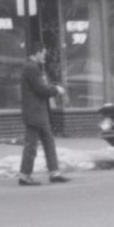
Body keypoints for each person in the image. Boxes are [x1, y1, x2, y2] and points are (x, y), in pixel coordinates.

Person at [18, 43, 70, 185]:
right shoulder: (31, 68)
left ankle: (53, 172)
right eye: (43, 53)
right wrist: (56, 90)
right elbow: (41, 89)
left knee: (47, 142)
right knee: (33, 145)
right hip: (36, 114)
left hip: (36, 113)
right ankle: (26, 175)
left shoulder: (30, 67)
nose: (45, 56)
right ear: (37, 53)